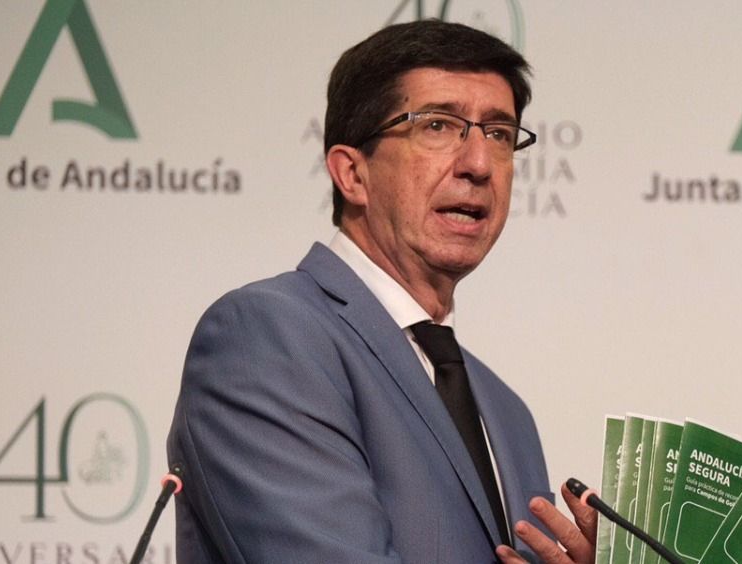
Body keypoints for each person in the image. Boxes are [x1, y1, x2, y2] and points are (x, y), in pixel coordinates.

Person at [166, 20, 595, 563]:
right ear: (352, 173)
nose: (479, 164)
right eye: (438, 125)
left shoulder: (507, 413)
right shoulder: (267, 340)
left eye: (499, 134)